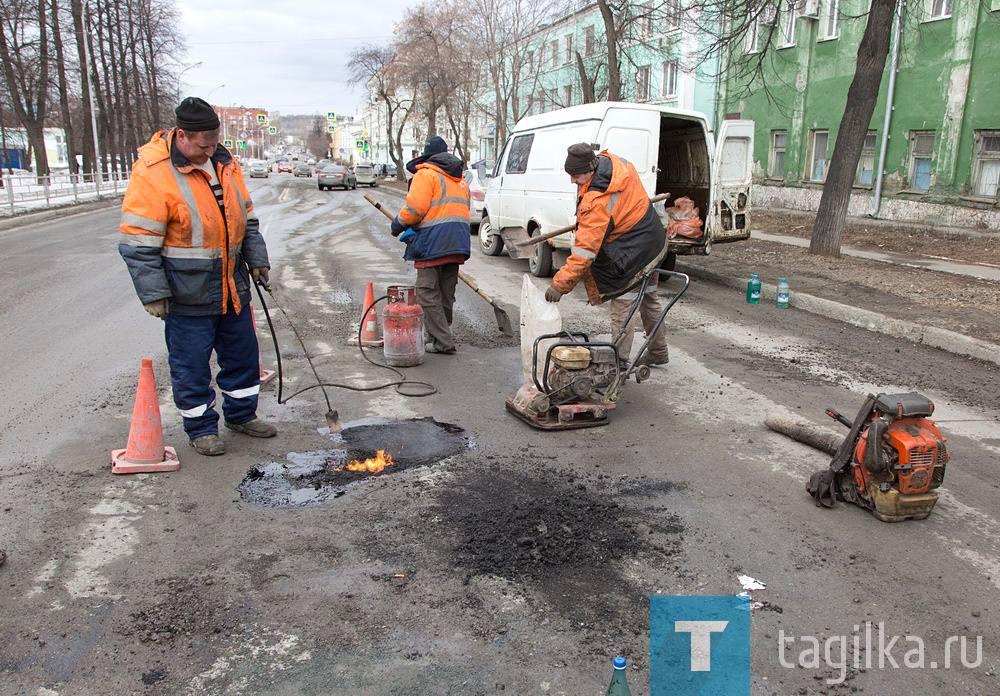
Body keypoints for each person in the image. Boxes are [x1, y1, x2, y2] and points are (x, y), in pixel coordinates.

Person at [119, 97, 275, 456]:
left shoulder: (225, 163)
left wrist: (257, 260)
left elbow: (246, 220)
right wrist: (153, 293)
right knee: (191, 364)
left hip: (231, 287)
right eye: (202, 145)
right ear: (182, 137)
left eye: (213, 142)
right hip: (186, 292)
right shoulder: (154, 171)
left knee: (243, 356)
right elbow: (138, 244)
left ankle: (241, 415)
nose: (209, 150)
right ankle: (202, 428)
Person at [544, 143, 670, 366]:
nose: (572, 181)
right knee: (649, 300)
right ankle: (658, 352)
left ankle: (617, 363)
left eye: (576, 176)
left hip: (634, 253)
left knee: (623, 307)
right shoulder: (614, 163)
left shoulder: (597, 203)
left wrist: (559, 285)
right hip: (654, 240)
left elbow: (584, 253)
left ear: (591, 170)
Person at [390, 136, 471, 354]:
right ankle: (439, 335)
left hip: (433, 242)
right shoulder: (460, 178)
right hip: (458, 241)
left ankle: (442, 341)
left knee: (426, 293)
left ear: (428, 157)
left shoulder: (425, 174)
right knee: (446, 292)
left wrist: (398, 224)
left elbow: (415, 209)